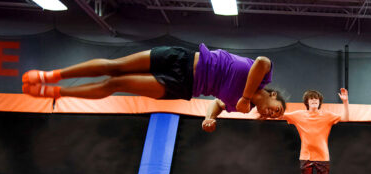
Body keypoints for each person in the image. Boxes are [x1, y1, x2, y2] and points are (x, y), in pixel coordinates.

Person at [22, 44, 286, 132]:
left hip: (182, 85)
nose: (274, 113)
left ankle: (56, 92)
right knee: (115, 66)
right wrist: (246, 95)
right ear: (273, 96)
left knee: (117, 83)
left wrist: (208, 118)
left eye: (274, 116)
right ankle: (52, 75)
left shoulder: (242, 107)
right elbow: (261, 61)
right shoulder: (263, 76)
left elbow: (217, 103)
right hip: (182, 58)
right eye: (277, 109)